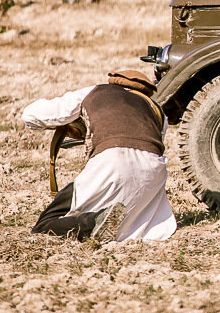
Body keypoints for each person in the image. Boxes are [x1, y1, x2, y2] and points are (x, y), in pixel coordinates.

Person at [23, 69, 176, 242]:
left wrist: (70, 123)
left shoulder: (94, 91)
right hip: (152, 176)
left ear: (114, 81)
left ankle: (93, 222)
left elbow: (30, 115)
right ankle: (112, 221)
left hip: (111, 164)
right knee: (135, 221)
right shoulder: (156, 110)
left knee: (44, 225)